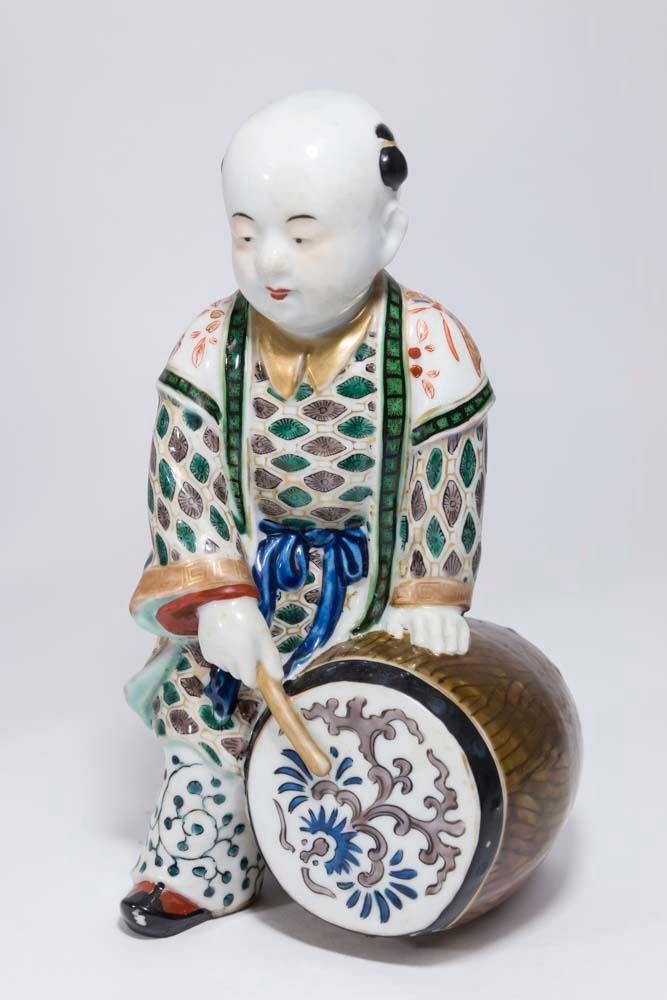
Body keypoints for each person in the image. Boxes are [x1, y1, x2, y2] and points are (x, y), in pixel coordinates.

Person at [121, 89, 494, 936]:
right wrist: (220, 598)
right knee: (208, 700)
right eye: (244, 233)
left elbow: (445, 484)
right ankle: (203, 860)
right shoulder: (209, 345)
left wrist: (425, 595)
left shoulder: (429, 347)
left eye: (302, 234)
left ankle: (359, 874)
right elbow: (185, 479)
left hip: (370, 594)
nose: (268, 261)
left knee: (380, 724)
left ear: (386, 232)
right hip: (255, 583)